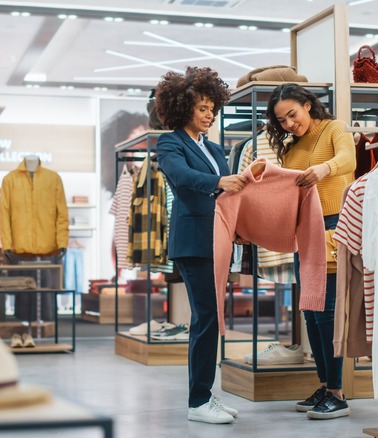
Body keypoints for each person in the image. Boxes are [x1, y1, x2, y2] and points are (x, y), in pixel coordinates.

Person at [154, 66, 247, 424]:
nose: (209, 115)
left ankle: (207, 395)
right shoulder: (170, 142)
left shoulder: (211, 147)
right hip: (193, 242)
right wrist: (220, 181)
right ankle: (198, 402)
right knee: (206, 318)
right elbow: (181, 176)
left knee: (213, 318)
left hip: (219, 239)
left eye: (212, 108)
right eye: (202, 108)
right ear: (183, 108)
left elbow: (227, 194)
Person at [265, 83, 356, 419]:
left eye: (293, 114)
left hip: (332, 227)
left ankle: (337, 392)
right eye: (282, 120)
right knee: (311, 311)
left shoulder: (334, 128)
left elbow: (348, 160)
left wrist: (323, 169)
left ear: (307, 105)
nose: (289, 123)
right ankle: (324, 383)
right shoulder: (290, 148)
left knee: (328, 310)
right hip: (304, 230)